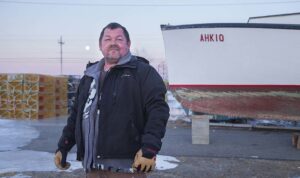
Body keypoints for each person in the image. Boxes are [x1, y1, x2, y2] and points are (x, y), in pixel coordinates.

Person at [54, 22, 170, 178]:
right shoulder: (89, 76)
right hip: (92, 168)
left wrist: (150, 148)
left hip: (126, 169)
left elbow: (158, 111)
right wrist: (63, 146)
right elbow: (76, 115)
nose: (113, 43)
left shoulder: (143, 73)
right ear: (100, 45)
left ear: (128, 44)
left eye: (119, 39)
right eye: (108, 39)